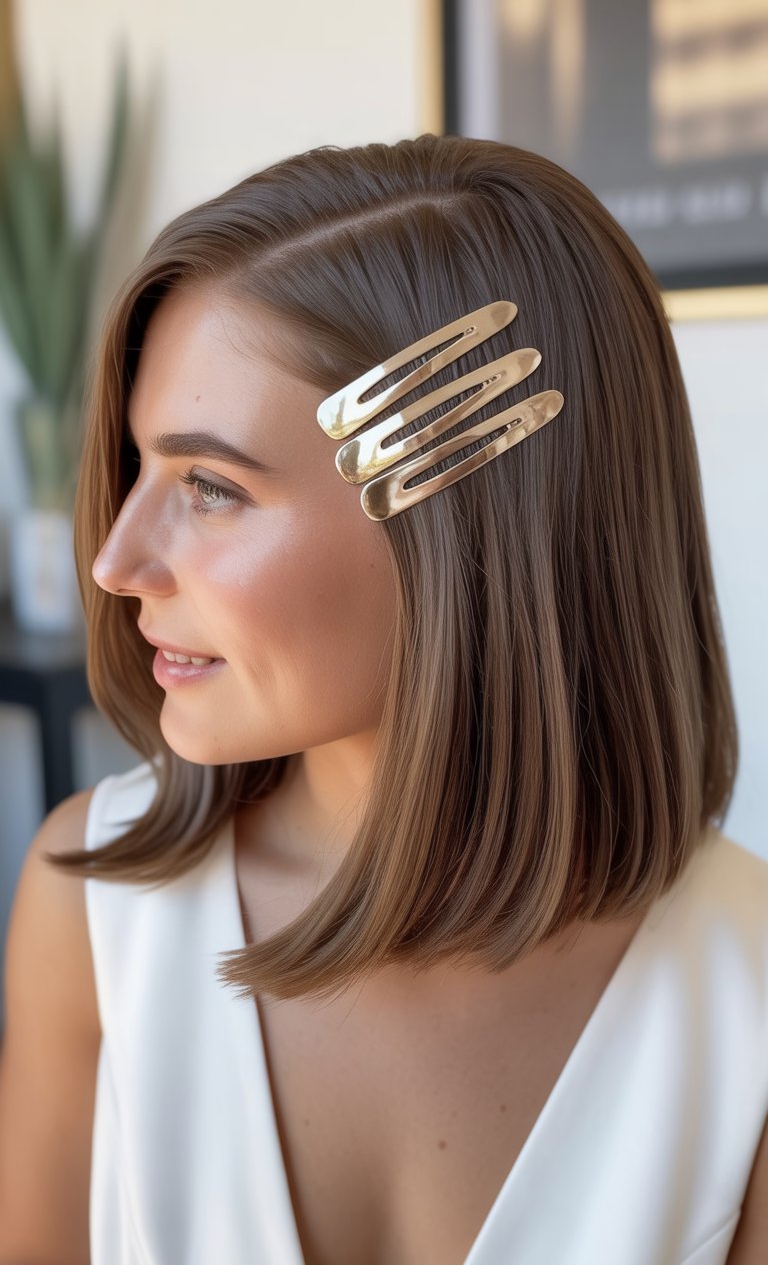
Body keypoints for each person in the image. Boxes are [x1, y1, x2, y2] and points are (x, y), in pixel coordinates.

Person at [0, 134, 766, 1265]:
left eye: (210, 487)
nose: (114, 562)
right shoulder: (95, 911)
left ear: (463, 530)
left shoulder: (742, 999)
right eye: (136, 468)